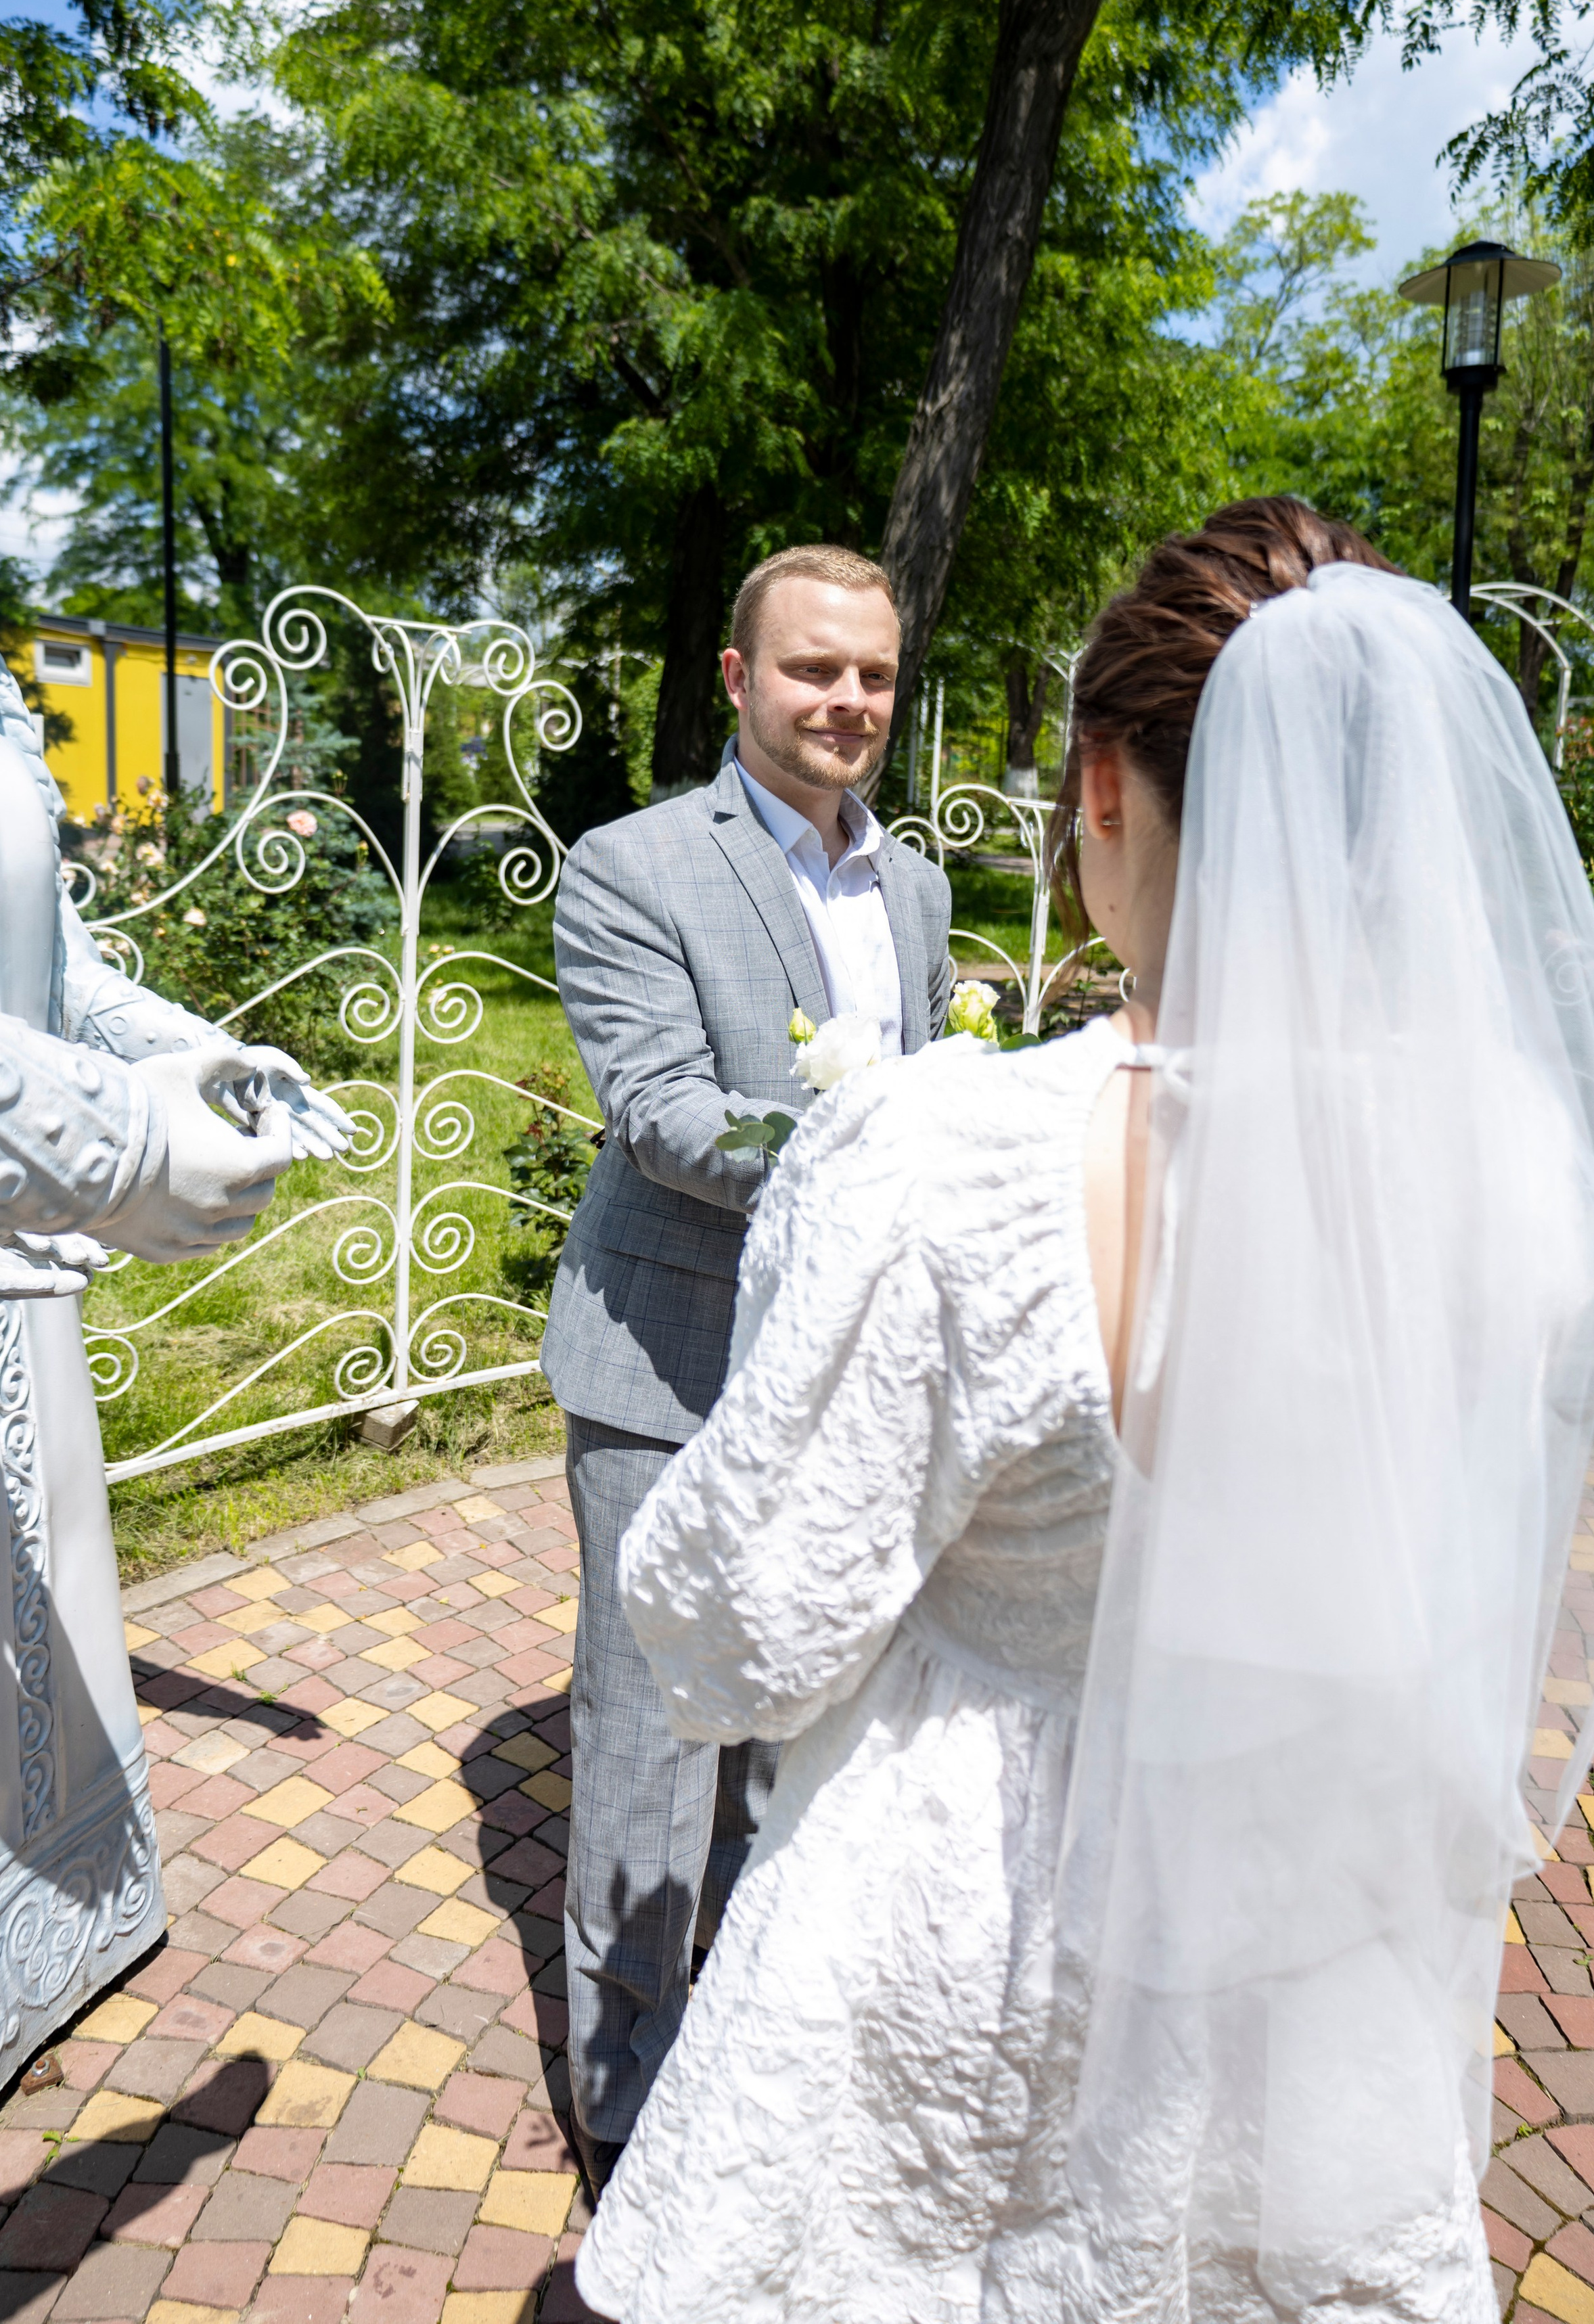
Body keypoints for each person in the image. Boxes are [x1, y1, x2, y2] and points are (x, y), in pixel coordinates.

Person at [572, 495, 1594, 2323]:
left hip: (981, 1915)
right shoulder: (1523, 1170)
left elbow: (751, 1620)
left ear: (1097, 788)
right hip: (1304, 1917)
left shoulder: (946, 1158)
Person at [0, 283, 352, 2158]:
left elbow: (46, 958)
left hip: (0, 1268)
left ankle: (33, 1945)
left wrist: (217, 1054)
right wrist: (113, 1148)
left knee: (21, 1635)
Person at [541, 543, 954, 2191]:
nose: (844, 700)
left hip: (845, 1369)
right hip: (671, 1357)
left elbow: (931, 1075)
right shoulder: (633, 867)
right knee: (650, 1737)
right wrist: (886, 1147)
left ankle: (761, 2034)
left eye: (869, 673)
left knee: (803, 1709)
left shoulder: (914, 887)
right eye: (810, 669)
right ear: (736, 678)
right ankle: (625, 2101)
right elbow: (661, 1112)